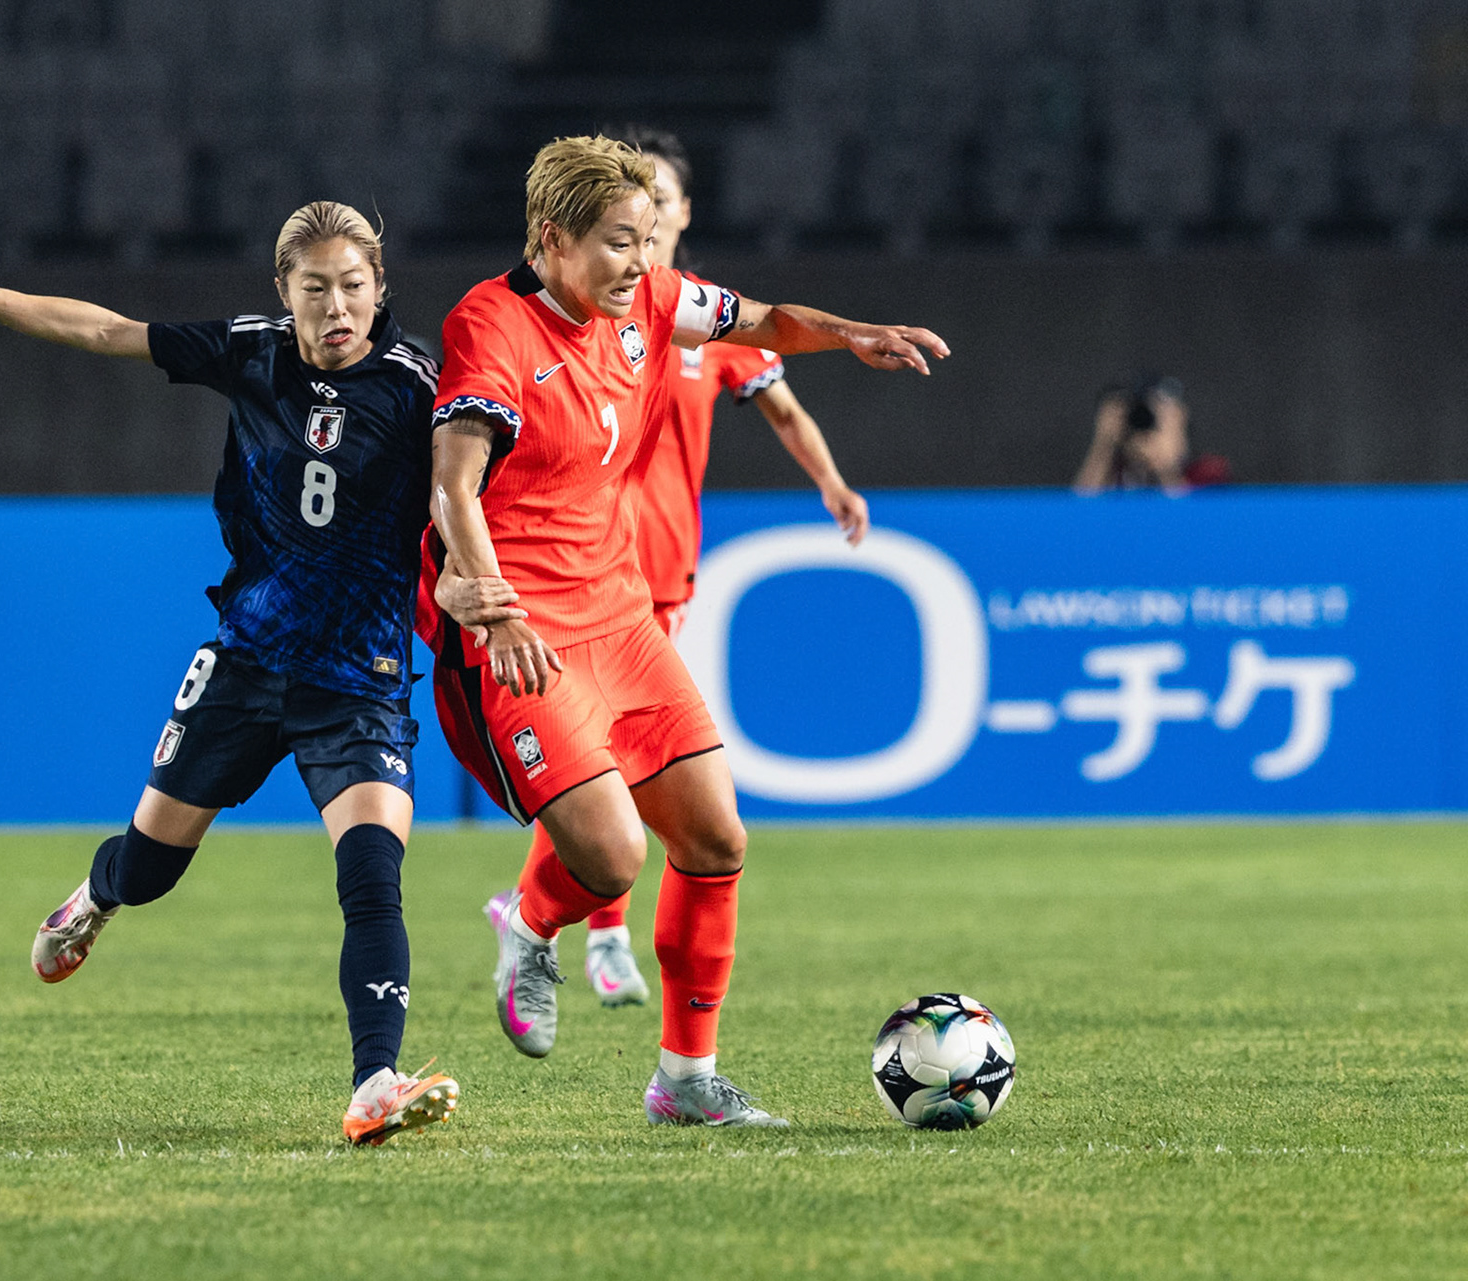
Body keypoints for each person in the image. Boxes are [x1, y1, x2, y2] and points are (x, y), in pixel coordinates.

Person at [0, 203, 460, 1147]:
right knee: (150, 870)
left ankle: (374, 1082)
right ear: (285, 292)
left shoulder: (419, 386)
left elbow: (463, 487)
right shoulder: (251, 351)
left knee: (372, 875)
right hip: (246, 663)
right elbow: (107, 329)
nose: (335, 307)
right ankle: (98, 893)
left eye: (353, 286)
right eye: (314, 289)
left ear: (381, 288)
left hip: (359, 678)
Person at [420, 136, 947, 1127]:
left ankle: (686, 1080)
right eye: (620, 242)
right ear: (551, 237)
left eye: (648, 239)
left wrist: (855, 334)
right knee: (614, 857)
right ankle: (530, 928)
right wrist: (494, 601)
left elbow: (766, 321)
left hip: (620, 611)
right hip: (522, 628)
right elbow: (453, 484)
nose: (640, 261)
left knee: (714, 837)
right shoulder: (490, 326)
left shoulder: (655, 301)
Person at [482, 129, 873, 1010]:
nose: (637, 236)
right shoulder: (549, 324)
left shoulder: (686, 314)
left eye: (652, 210)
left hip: (664, 577)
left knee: (675, 804)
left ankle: (615, 975)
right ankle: (589, 931)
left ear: (680, 213)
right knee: (609, 784)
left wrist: (833, 478)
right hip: (579, 584)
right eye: (618, 224)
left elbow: (781, 392)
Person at [1073, 374, 1231, 494]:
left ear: (1181, 417)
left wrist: (1166, 468)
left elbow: (1197, 525)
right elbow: (1078, 516)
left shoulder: (1209, 471)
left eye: (1161, 415)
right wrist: (1104, 443)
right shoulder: (1116, 474)